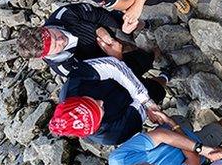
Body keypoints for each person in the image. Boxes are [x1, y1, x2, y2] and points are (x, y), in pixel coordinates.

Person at [47, 57, 175, 145]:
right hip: (127, 102)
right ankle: (165, 77)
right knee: (154, 89)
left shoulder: (73, 84)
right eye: (99, 111)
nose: (100, 102)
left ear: (76, 99)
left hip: (115, 75)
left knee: (139, 60)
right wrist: (146, 102)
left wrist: (145, 100)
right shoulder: (111, 135)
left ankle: (154, 55)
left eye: (90, 101)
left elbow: (113, 65)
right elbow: (140, 108)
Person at [14, 2, 154, 79]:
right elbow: (102, 76)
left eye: (55, 36)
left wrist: (119, 27)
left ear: (44, 28)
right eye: (56, 47)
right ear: (45, 56)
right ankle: (154, 56)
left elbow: (98, 14)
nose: (61, 41)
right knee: (142, 62)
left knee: (123, 28)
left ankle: (144, 26)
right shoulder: (65, 67)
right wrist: (117, 57)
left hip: (103, 33)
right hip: (106, 59)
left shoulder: (63, 14)